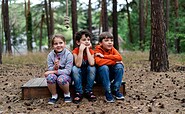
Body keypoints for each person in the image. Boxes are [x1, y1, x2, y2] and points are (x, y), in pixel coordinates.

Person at [94, 31, 125, 103]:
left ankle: (115, 89)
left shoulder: (112, 49)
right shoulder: (97, 50)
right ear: (100, 43)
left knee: (119, 66)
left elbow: (119, 58)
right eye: (106, 40)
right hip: (100, 77)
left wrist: (104, 56)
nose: (110, 42)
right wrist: (114, 62)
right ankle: (107, 92)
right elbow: (99, 62)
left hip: (110, 75)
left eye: (111, 40)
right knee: (104, 67)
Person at [44, 34, 73, 104]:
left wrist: (54, 71)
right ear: (52, 46)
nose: (58, 45)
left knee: (61, 79)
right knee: (50, 77)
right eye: (55, 44)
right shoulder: (50, 55)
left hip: (66, 76)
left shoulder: (68, 54)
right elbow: (50, 68)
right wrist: (55, 67)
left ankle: (67, 94)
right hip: (55, 74)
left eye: (61, 43)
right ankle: (54, 95)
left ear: (64, 43)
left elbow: (68, 71)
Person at [72, 30, 97, 104]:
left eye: (88, 40)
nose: (87, 41)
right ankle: (79, 92)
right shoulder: (75, 51)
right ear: (78, 42)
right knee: (74, 68)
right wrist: (81, 51)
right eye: (84, 40)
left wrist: (87, 50)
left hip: (88, 76)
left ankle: (88, 91)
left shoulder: (91, 51)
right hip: (79, 77)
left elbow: (92, 63)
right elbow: (78, 64)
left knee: (92, 68)